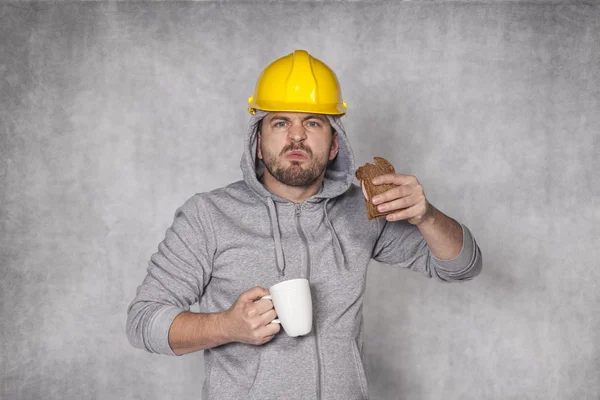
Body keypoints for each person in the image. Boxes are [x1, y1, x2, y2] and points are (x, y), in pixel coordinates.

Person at [126, 49, 482, 400]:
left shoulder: (365, 210)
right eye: (280, 122)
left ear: (333, 145)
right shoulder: (208, 215)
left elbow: (462, 266)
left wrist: (427, 216)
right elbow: (143, 322)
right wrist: (226, 326)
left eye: (312, 122)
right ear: (259, 144)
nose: (296, 136)